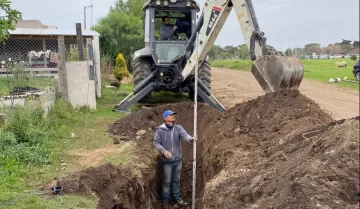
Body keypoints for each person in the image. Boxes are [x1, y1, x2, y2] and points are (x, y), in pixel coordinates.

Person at [153, 110, 194, 209]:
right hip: (167, 162)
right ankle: (166, 201)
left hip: (178, 160)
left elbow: (185, 135)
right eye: (170, 115)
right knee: (167, 181)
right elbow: (156, 143)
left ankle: (177, 198)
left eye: (173, 115)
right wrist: (163, 151)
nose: (173, 116)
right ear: (165, 118)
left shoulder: (178, 128)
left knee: (176, 180)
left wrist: (190, 139)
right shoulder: (160, 130)